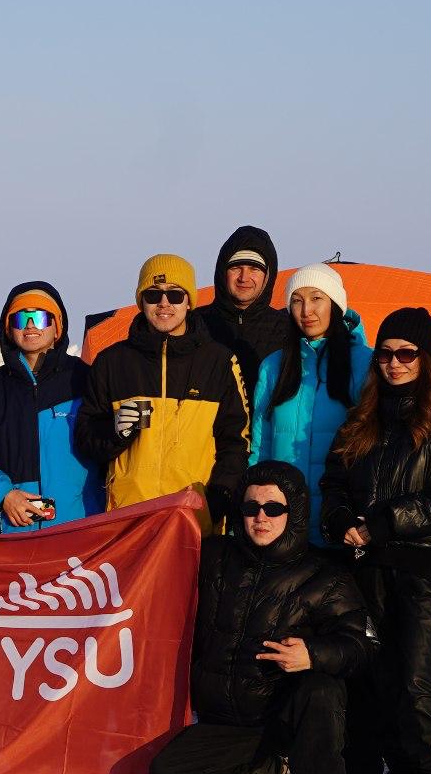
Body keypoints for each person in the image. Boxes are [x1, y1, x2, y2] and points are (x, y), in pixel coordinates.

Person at [320, 308, 431, 774]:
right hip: (368, 568)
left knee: (417, 677)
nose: (393, 363)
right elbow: (333, 482)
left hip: (425, 566)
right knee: (382, 679)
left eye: (406, 354)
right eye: (385, 354)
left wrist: (388, 521)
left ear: (425, 360)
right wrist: (342, 518)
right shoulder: (360, 421)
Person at [148, 462, 373, 774]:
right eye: (251, 508)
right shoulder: (213, 557)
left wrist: (313, 654)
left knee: (320, 687)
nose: (261, 518)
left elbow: (364, 646)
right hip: (229, 721)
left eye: (273, 508)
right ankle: (261, 767)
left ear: (295, 511)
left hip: (285, 714)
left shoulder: (325, 574)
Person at [78, 254, 250, 534]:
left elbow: (236, 442)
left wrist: (217, 501)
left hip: (193, 521)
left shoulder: (218, 361)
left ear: (190, 301)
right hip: (128, 520)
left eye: (175, 295)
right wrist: (114, 432)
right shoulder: (111, 362)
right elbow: (86, 438)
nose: (164, 303)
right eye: (153, 294)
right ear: (140, 300)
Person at [0, 281, 103, 534]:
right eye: (21, 318)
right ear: (8, 329)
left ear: (57, 327)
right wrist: (3, 494)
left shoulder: (88, 382)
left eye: (41, 317)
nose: (31, 325)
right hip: (9, 537)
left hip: (79, 535)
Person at [248, 262, 369, 544]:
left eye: (317, 298)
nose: (306, 311)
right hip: (282, 521)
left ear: (335, 304)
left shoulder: (364, 362)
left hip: (341, 520)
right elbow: (260, 446)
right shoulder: (273, 366)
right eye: (297, 301)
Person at [191, 225, 292, 393]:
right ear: (223, 272)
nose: (244, 278)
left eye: (254, 269)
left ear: (268, 275)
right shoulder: (193, 324)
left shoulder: (288, 328)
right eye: (236, 268)